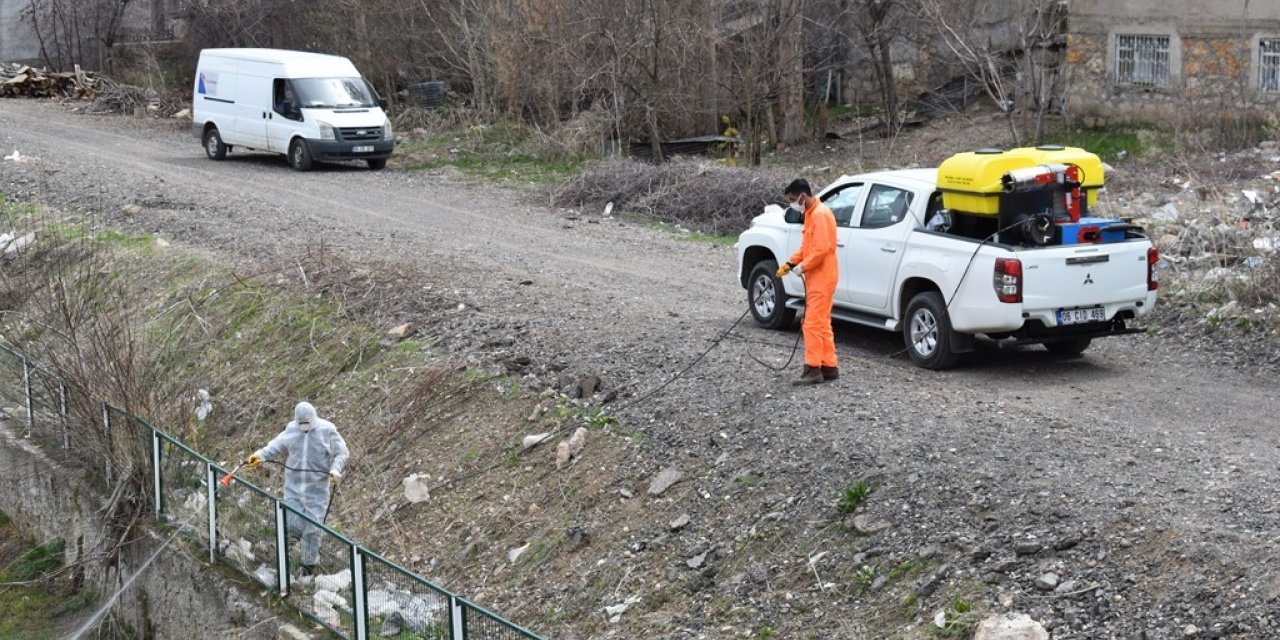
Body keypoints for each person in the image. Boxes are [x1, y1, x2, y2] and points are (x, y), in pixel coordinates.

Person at [246, 401, 349, 576]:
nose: (304, 427)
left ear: (314, 419)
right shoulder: (291, 430)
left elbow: (342, 452)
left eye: (307, 423)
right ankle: (285, 562)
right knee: (291, 522)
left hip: (317, 491)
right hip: (293, 488)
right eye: (301, 424)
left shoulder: (327, 430)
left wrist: (335, 469)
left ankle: (307, 567)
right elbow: (275, 446)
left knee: (313, 529)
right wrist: (259, 456)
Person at [776, 179, 839, 385]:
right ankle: (829, 366)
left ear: (803, 196)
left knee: (811, 323)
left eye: (794, 200)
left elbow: (821, 250)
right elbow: (806, 247)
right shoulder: (811, 215)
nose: (793, 204)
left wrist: (802, 267)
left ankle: (813, 369)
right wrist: (790, 263)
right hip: (818, 277)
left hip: (822, 277)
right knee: (822, 323)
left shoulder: (820, 215)